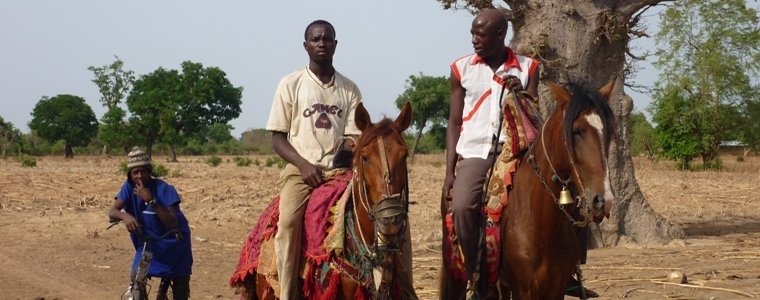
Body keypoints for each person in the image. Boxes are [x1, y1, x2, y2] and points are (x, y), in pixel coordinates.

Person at [442, 9, 598, 299]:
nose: (474, 39)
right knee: (463, 206)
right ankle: (478, 277)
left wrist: (521, 92)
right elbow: (453, 122)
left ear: (500, 35)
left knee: (572, 197)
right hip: (476, 150)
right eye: (473, 33)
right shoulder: (460, 68)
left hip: (519, 149)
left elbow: (534, 110)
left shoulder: (528, 67)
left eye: (481, 34)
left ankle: (570, 271)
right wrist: (450, 171)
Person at [267, 19, 418, 299]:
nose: (321, 43)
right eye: (315, 39)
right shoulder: (291, 84)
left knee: (391, 214)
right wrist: (303, 165)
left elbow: (354, 133)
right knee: (288, 222)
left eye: (327, 39)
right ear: (306, 46)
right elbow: (277, 138)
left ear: (335, 45)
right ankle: (288, 292)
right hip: (300, 171)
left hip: (342, 172)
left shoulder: (349, 88)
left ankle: (406, 290)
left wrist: (347, 149)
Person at [109, 146, 193, 300]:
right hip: (149, 243)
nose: (139, 176)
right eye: (135, 172)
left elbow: (173, 223)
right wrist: (125, 216)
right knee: (136, 282)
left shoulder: (164, 188)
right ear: (130, 175)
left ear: (149, 172)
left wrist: (150, 200)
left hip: (174, 241)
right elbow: (113, 211)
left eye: (143, 171)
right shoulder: (128, 187)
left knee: (180, 290)